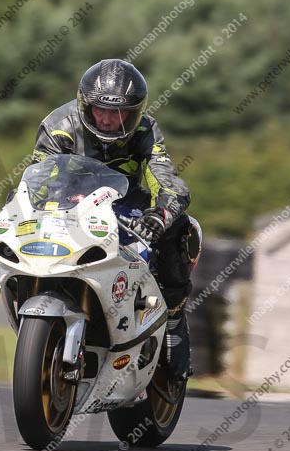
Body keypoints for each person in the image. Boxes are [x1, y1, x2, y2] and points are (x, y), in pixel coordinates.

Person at [31, 58, 200, 382]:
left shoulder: (145, 130)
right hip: (67, 206)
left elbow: (168, 181)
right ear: (85, 105)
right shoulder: (58, 126)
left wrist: (158, 215)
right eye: (101, 110)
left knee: (181, 227)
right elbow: (38, 181)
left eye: (119, 112)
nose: (108, 120)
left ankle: (174, 319)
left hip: (125, 205)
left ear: (133, 112)